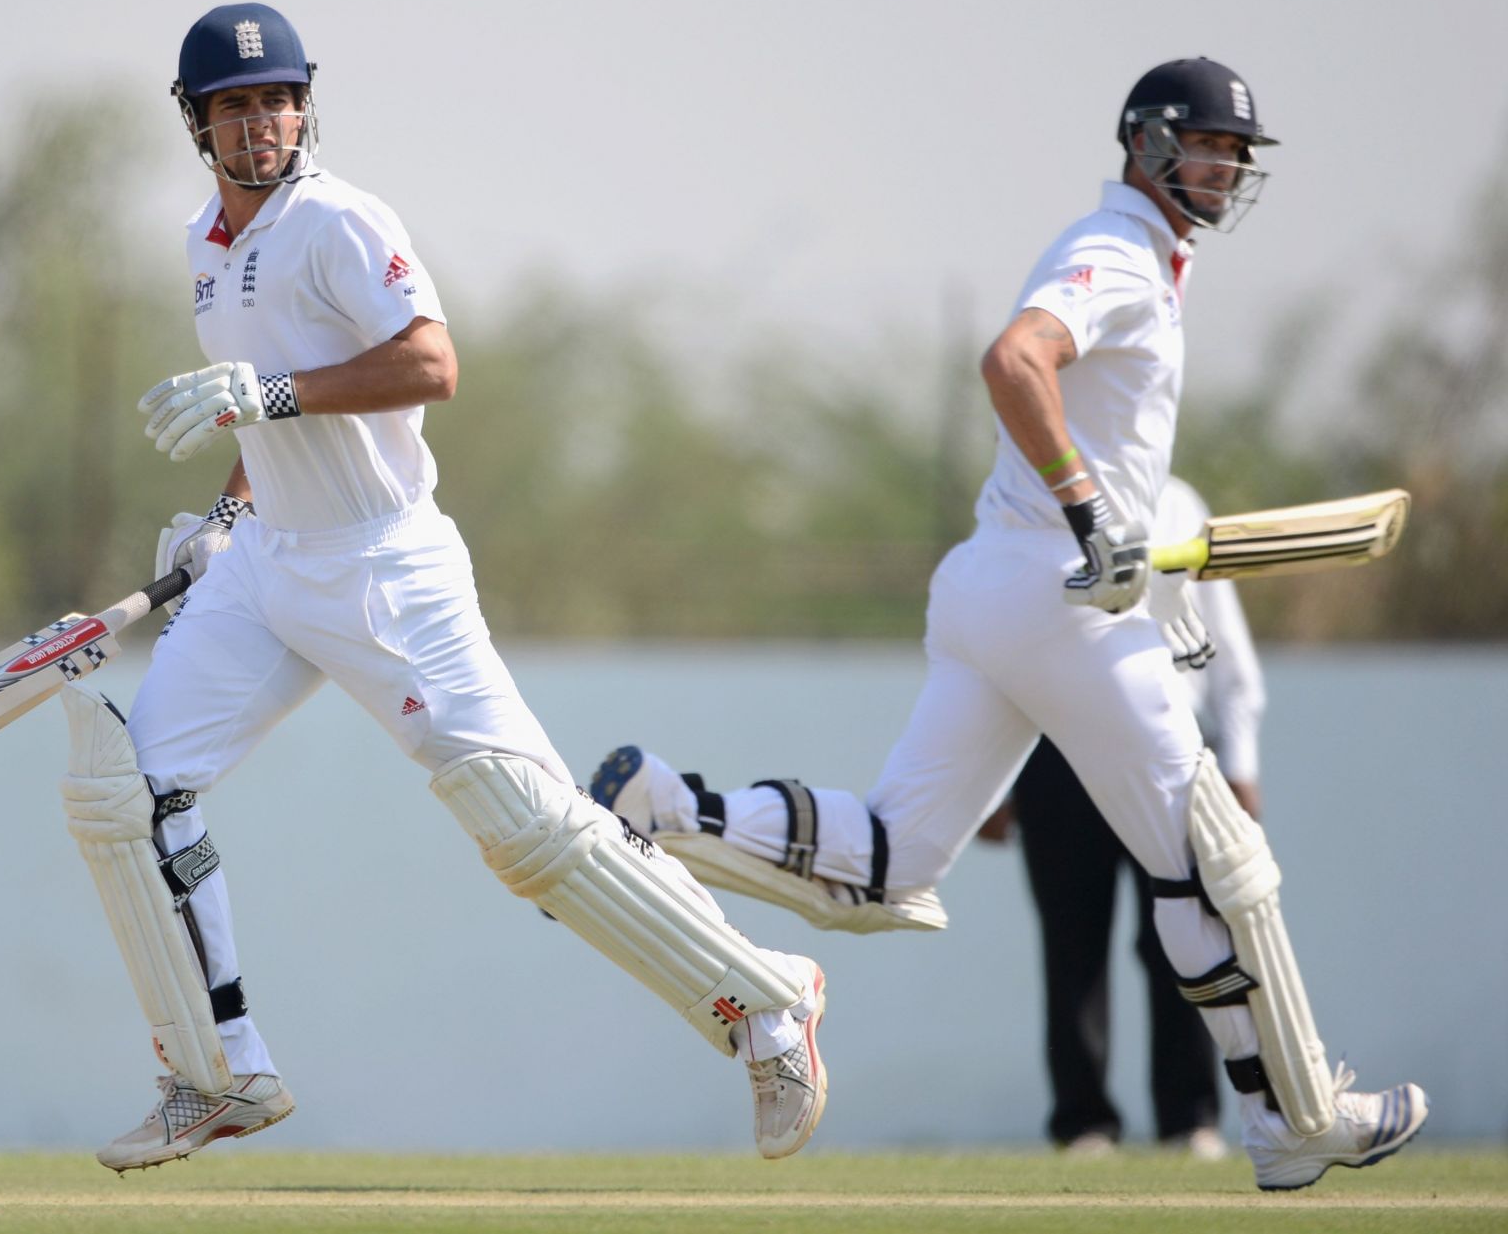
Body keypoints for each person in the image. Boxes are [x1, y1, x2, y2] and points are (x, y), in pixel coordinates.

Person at [590, 59, 1428, 1191]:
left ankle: (665, 808)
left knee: (892, 861)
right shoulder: (1118, 250)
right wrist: (1090, 512)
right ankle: (1298, 1112)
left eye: (1238, 153)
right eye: (1210, 145)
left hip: (994, 586)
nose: (1227, 166)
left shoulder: (1147, 258)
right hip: (1059, 596)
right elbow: (1013, 358)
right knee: (1217, 861)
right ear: (1147, 144)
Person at [52, 3, 827, 1173]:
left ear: (306, 106)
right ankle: (217, 1073)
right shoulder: (204, 244)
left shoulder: (341, 219)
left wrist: (260, 402)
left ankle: (769, 1001)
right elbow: (268, 413)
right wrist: (225, 514)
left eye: (276, 100)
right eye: (233, 106)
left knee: (522, 828)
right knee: (128, 796)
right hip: (269, 568)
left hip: (384, 566)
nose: (259, 124)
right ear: (196, 124)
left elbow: (429, 363)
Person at [976, 475, 1265, 1160]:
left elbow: (1223, 640)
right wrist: (988, 775)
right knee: (1072, 941)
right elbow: (993, 637)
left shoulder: (1177, 501)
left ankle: (1189, 1117)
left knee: (1185, 930)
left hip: (1167, 743)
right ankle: (1084, 1124)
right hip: (1057, 746)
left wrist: (1241, 761)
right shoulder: (1018, 500)